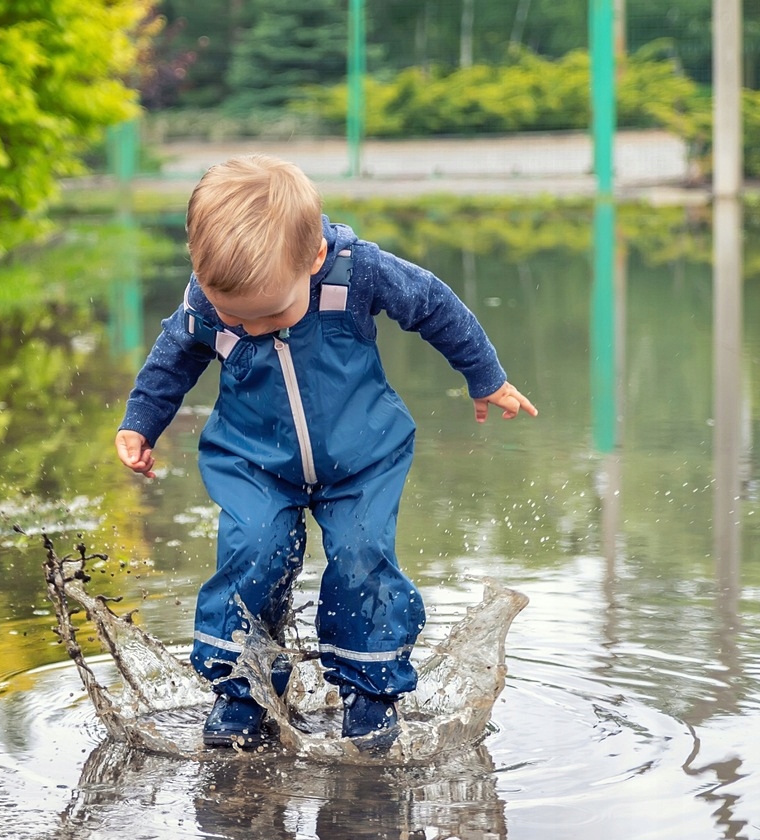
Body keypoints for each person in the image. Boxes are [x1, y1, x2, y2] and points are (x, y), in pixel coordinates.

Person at [115, 154, 536, 751]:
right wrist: (141, 423)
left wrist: (484, 376)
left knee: (363, 556)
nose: (253, 330)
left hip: (363, 458)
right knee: (251, 554)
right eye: (238, 318)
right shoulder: (208, 301)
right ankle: (243, 690)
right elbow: (172, 359)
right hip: (252, 461)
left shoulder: (355, 274)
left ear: (312, 261)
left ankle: (369, 692)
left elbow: (435, 305)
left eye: (271, 314)